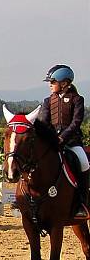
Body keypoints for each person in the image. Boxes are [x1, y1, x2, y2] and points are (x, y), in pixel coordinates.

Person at [38, 64, 88, 218]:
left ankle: (81, 203)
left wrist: (63, 137)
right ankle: (30, 199)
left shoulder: (77, 99)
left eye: (52, 82)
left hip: (72, 142)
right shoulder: (48, 101)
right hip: (53, 143)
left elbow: (76, 122)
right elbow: (44, 122)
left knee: (84, 163)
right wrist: (49, 138)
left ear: (64, 83)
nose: (50, 85)